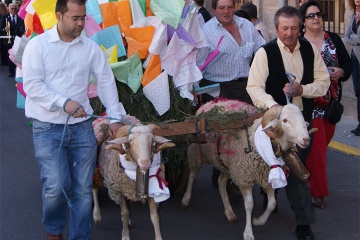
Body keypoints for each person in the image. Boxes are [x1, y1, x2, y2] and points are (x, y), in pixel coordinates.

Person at [22, 0, 126, 239]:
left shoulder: (90, 47)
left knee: (82, 190)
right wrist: (64, 103)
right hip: (47, 128)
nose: (81, 23)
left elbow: (106, 81)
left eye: (83, 18)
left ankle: (80, 235)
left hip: (81, 129)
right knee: (55, 187)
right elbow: (32, 86)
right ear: (59, 16)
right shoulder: (38, 46)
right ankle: (54, 230)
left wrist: (115, 118)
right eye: (75, 18)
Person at [247, 6, 330, 240]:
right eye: (284, 28)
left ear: (300, 27)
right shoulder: (265, 53)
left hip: (301, 125)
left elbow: (323, 82)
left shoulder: (310, 51)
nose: (289, 33)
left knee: (298, 171)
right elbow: (253, 87)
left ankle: (303, 223)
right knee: (270, 165)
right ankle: (268, 193)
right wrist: (275, 107)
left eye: (294, 28)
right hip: (274, 126)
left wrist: (303, 89)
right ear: (277, 28)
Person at [196, 0, 265, 189]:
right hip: (218, 90)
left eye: (229, 7)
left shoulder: (246, 26)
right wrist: (193, 90)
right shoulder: (207, 32)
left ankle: (243, 173)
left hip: (245, 87)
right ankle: (222, 176)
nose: (226, 12)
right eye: (221, 8)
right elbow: (196, 64)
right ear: (214, 9)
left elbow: (262, 49)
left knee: (247, 132)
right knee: (224, 135)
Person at [299, 0, 352, 210]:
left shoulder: (333, 39)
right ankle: (318, 192)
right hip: (310, 105)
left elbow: (347, 64)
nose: (316, 18)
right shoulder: (299, 42)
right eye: (311, 15)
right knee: (317, 150)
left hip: (331, 104)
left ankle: (301, 175)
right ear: (303, 20)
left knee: (320, 147)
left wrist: (341, 72)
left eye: (318, 14)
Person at [344, 0, 360, 136]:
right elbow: (345, 37)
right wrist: (356, 38)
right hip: (355, 58)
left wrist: (353, 38)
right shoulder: (353, 14)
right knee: (358, 92)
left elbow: (350, 37)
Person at [1, 2, 24, 77]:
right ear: (9, 9)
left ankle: (17, 71)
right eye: (12, 9)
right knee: (10, 56)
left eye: (15, 9)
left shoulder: (20, 17)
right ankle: (11, 72)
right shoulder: (5, 17)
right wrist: (4, 29)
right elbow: (1, 27)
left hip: (17, 39)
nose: (13, 10)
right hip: (8, 39)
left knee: (17, 56)